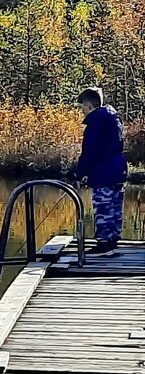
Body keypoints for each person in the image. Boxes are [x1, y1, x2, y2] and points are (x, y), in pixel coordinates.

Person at [69, 87, 128, 254]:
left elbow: (90, 151)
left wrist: (79, 174)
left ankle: (104, 243)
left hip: (104, 171)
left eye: (82, 107)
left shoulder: (96, 122)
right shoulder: (112, 118)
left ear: (89, 106)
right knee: (115, 206)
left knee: (103, 206)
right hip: (119, 168)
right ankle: (113, 239)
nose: (82, 111)